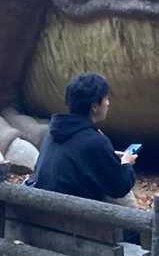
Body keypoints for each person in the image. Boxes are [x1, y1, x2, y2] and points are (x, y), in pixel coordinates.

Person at [33, 71, 138, 203]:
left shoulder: (53, 132)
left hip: (41, 208)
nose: (108, 103)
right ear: (94, 106)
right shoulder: (94, 141)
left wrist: (107, 152)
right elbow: (120, 188)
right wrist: (126, 163)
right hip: (72, 213)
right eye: (106, 98)